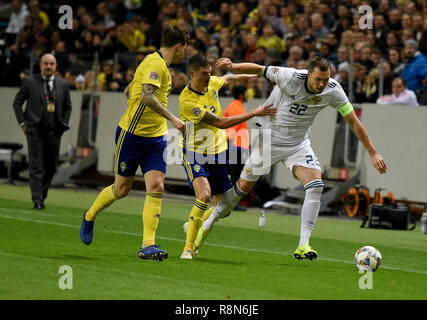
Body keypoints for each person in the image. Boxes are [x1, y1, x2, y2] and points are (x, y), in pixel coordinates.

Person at [193, 57, 387, 261]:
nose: (322, 84)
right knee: (241, 190)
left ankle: (303, 244)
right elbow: (260, 70)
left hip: (298, 144)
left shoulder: (333, 89)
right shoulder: (290, 76)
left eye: (326, 79)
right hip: (268, 139)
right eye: (318, 79)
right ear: (308, 73)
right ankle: (207, 224)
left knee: (315, 185)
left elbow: (354, 122)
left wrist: (373, 152)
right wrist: (233, 66)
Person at [80, 26, 190, 262]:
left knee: (157, 186)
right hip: (132, 135)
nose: (185, 53)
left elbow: (143, 83)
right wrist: (173, 119)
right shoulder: (156, 64)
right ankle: (89, 215)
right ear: (179, 46)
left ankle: (147, 245)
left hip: (156, 138)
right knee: (122, 189)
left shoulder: (157, 62)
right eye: (185, 47)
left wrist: (132, 82)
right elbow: (147, 96)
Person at [178, 54, 276, 259]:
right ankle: (188, 248)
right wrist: (254, 113)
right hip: (195, 152)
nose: (208, 77)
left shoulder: (210, 83)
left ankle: (192, 223)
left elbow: (229, 79)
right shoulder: (188, 101)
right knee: (204, 196)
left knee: (224, 208)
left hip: (218, 152)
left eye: (210, 73)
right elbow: (221, 123)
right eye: (204, 74)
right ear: (192, 73)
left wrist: (254, 75)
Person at [12, 53, 72, 210]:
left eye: (52, 64)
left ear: (56, 66)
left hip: (54, 131)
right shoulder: (30, 82)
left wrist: (63, 124)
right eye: (46, 63)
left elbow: (68, 107)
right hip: (35, 130)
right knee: (37, 166)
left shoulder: (63, 84)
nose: (49, 67)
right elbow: (17, 103)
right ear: (40, 66)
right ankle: (37, 199)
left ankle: (42, 195)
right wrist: (23, 123)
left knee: (51, 167)